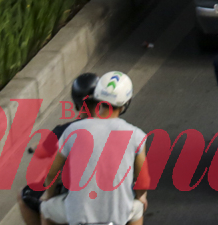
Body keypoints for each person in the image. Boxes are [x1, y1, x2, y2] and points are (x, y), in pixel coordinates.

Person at [36, 72, 149, 225]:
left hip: (78, 216)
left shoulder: (72, 130)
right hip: (119, 216)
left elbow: (51, 172)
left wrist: (48, 194)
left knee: (46, 208)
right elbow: (143, 181)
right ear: (126, 103)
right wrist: (141, 196)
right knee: (137, 208)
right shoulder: (136, 135)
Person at [19, 74, 100, 225]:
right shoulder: (120, 128)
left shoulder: (64, 131)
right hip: (114, 194)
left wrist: (36, 147)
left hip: (81, 200)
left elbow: (44, 156)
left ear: (76, 103)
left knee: (33, 201)